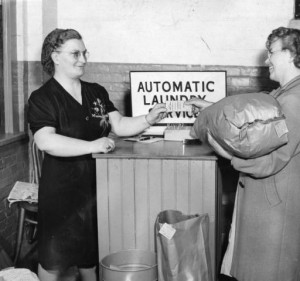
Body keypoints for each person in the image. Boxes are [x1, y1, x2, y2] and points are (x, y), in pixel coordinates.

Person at [27, 28, 167, 281]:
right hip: (61, 193)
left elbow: (121, 125)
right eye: (75, 53)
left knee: (90, 258)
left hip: (96, 188)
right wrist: (94, 145)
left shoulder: (96, 92)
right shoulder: (42, 97)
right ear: (55, 57)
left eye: (84, 53)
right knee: (54, 261)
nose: (83, 59)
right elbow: (45, 141)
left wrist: (148, 118)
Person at [185, 26, 300, 281]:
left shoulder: (294, 100)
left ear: (290, 55)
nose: (266, 60)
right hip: (270, 202)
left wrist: (228, 156)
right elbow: (257, 120)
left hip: (274, 208)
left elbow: (272, 160)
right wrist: (210, 108)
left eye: (271, 53)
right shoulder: (284, 93)